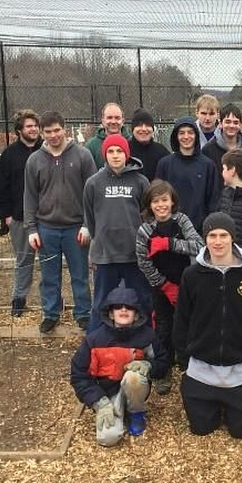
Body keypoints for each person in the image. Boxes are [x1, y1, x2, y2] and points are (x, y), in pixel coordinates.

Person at [173, 213, 242, 439]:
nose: (217, 241)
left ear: (233, 238)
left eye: (223, 235)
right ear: (205, 239)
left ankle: (237, 403)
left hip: (241, 368)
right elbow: (181, 320)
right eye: (212, 235)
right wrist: (184, 363)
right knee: (201, 429)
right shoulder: (192, 275)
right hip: (201, 368)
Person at [23, 111, 97, 333]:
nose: (53, 135)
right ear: (42, 133)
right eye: (48, 132)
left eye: (57, 130)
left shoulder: (83, 156)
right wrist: (31, 228)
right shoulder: (34, 160)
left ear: (64, 129)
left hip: (76, 228)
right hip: (47, 229)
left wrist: (87, 225)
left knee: (80, 274)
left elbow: (92, 194)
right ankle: (51, 313)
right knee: (49, 276)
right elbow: (29, 196)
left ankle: (83, 313)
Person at [70, 284, 169, 445]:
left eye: (129, 307)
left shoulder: (148, 337)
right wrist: (98, 401)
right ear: (111, 313)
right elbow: (79, 376)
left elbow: (163, 363)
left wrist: (149, 365)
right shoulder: (94, 340)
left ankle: (136, 413)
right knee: (107, 438)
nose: (123, 310)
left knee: (133, 377)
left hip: (134, 388)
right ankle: (113, 411)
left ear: (136, 315)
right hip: (105, 393)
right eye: (118, 307)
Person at [136, 180, 203, 394]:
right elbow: (143, 262)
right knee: (163, 328)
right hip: (160, 286)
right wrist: (164, 286)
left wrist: (170, 243)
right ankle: (163, 371)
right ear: (149, 205)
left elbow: (199, 245)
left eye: (164, 200)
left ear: (172, 201)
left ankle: (188, 367)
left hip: (186, 283)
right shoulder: (145, 230)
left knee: (188, 324)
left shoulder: (182, 221)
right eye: (156, 201)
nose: (161, 205)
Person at [83, 134, 151, 334]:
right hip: (105, 255)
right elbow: (90, 217)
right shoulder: (93, 183)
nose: (115, 155)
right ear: (105, 154)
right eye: (110, 151)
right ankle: (96, 343)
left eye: (119, 151)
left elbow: (147, 217)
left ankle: (144, 341)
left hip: (134, 255)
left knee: (141, 298)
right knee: (102, 301)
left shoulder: (140, 181)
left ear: (126, 154)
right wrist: (100, 241)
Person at [0, 109, 43, 317]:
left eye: (35, 125)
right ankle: (19, 298)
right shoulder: (9, 154)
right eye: (29, 126)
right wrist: (5, 215)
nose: (33, 129)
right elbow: (1, 188)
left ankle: (51, 300)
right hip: (20, 218)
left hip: (47, 218)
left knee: (50, 262)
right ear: (19, 130)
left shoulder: (48, 150)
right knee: (24, 260)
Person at [155, 117, 219, 233]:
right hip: (170, 231)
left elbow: (213, 202)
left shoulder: (208, 165)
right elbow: (156, 198)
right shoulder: (164, 164)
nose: (186, 137)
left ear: (196, 136)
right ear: (176, 136)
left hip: (198, 231)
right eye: (181, 133)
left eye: (190, 132)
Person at [202, 103, 242, 186]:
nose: (231, 125)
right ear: (220, 123)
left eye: (235, 122)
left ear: (240, 125)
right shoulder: (208, 150)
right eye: (227, 121)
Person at [128, 108, 169, 181]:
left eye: (148, 125)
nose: (144, 129)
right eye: (139, 125)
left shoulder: (162, 152)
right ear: (133, 129)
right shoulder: (124, 150)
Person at [85, 102, 130, 169]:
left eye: (117, 118)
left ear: (123, 121)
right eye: (109, 118)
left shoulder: (132, 142)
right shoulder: (91, 146)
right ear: (103, 120)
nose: (113, 121)